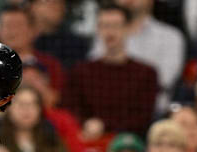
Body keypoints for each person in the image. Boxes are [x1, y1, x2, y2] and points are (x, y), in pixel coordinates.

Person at [63, 3, 158, 139]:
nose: (110, 32)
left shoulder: (146, 74)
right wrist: (86, 123)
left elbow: (142, 118)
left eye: (115, 26)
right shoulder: (81, 72)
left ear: (128, 28)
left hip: (129, 144)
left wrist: (104, 125)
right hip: (87, 140)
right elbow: (70, 109)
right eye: (104, 26)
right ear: (98, 29)